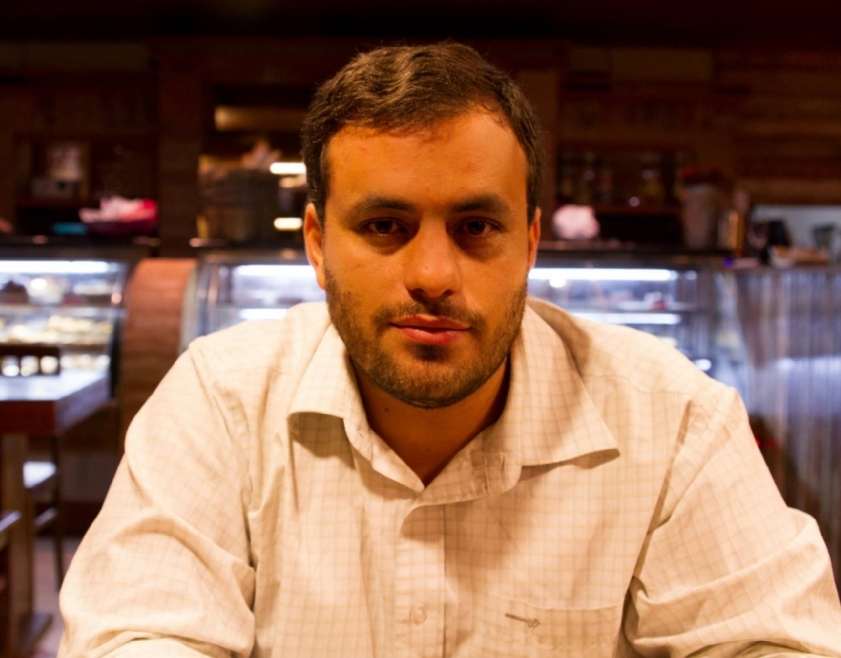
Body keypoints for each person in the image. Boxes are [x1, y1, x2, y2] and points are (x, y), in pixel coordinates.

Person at [59, 43, 841, 657]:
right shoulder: (218, 402)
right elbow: (142, 632)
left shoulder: (674, 422)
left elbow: (772, 640)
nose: (433, 275)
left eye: (475, 227)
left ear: (528, 244)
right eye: (385, 226)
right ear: (318, 245)